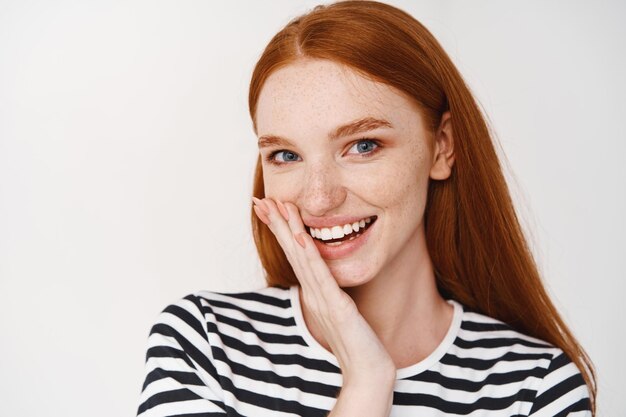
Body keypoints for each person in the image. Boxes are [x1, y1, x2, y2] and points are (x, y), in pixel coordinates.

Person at [136, 1, 597, 416]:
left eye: (362, 145)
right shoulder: (204, 345)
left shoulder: (535, 388)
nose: (318, 198)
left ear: (441, 147)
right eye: (286, 155)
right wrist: (366, 380)